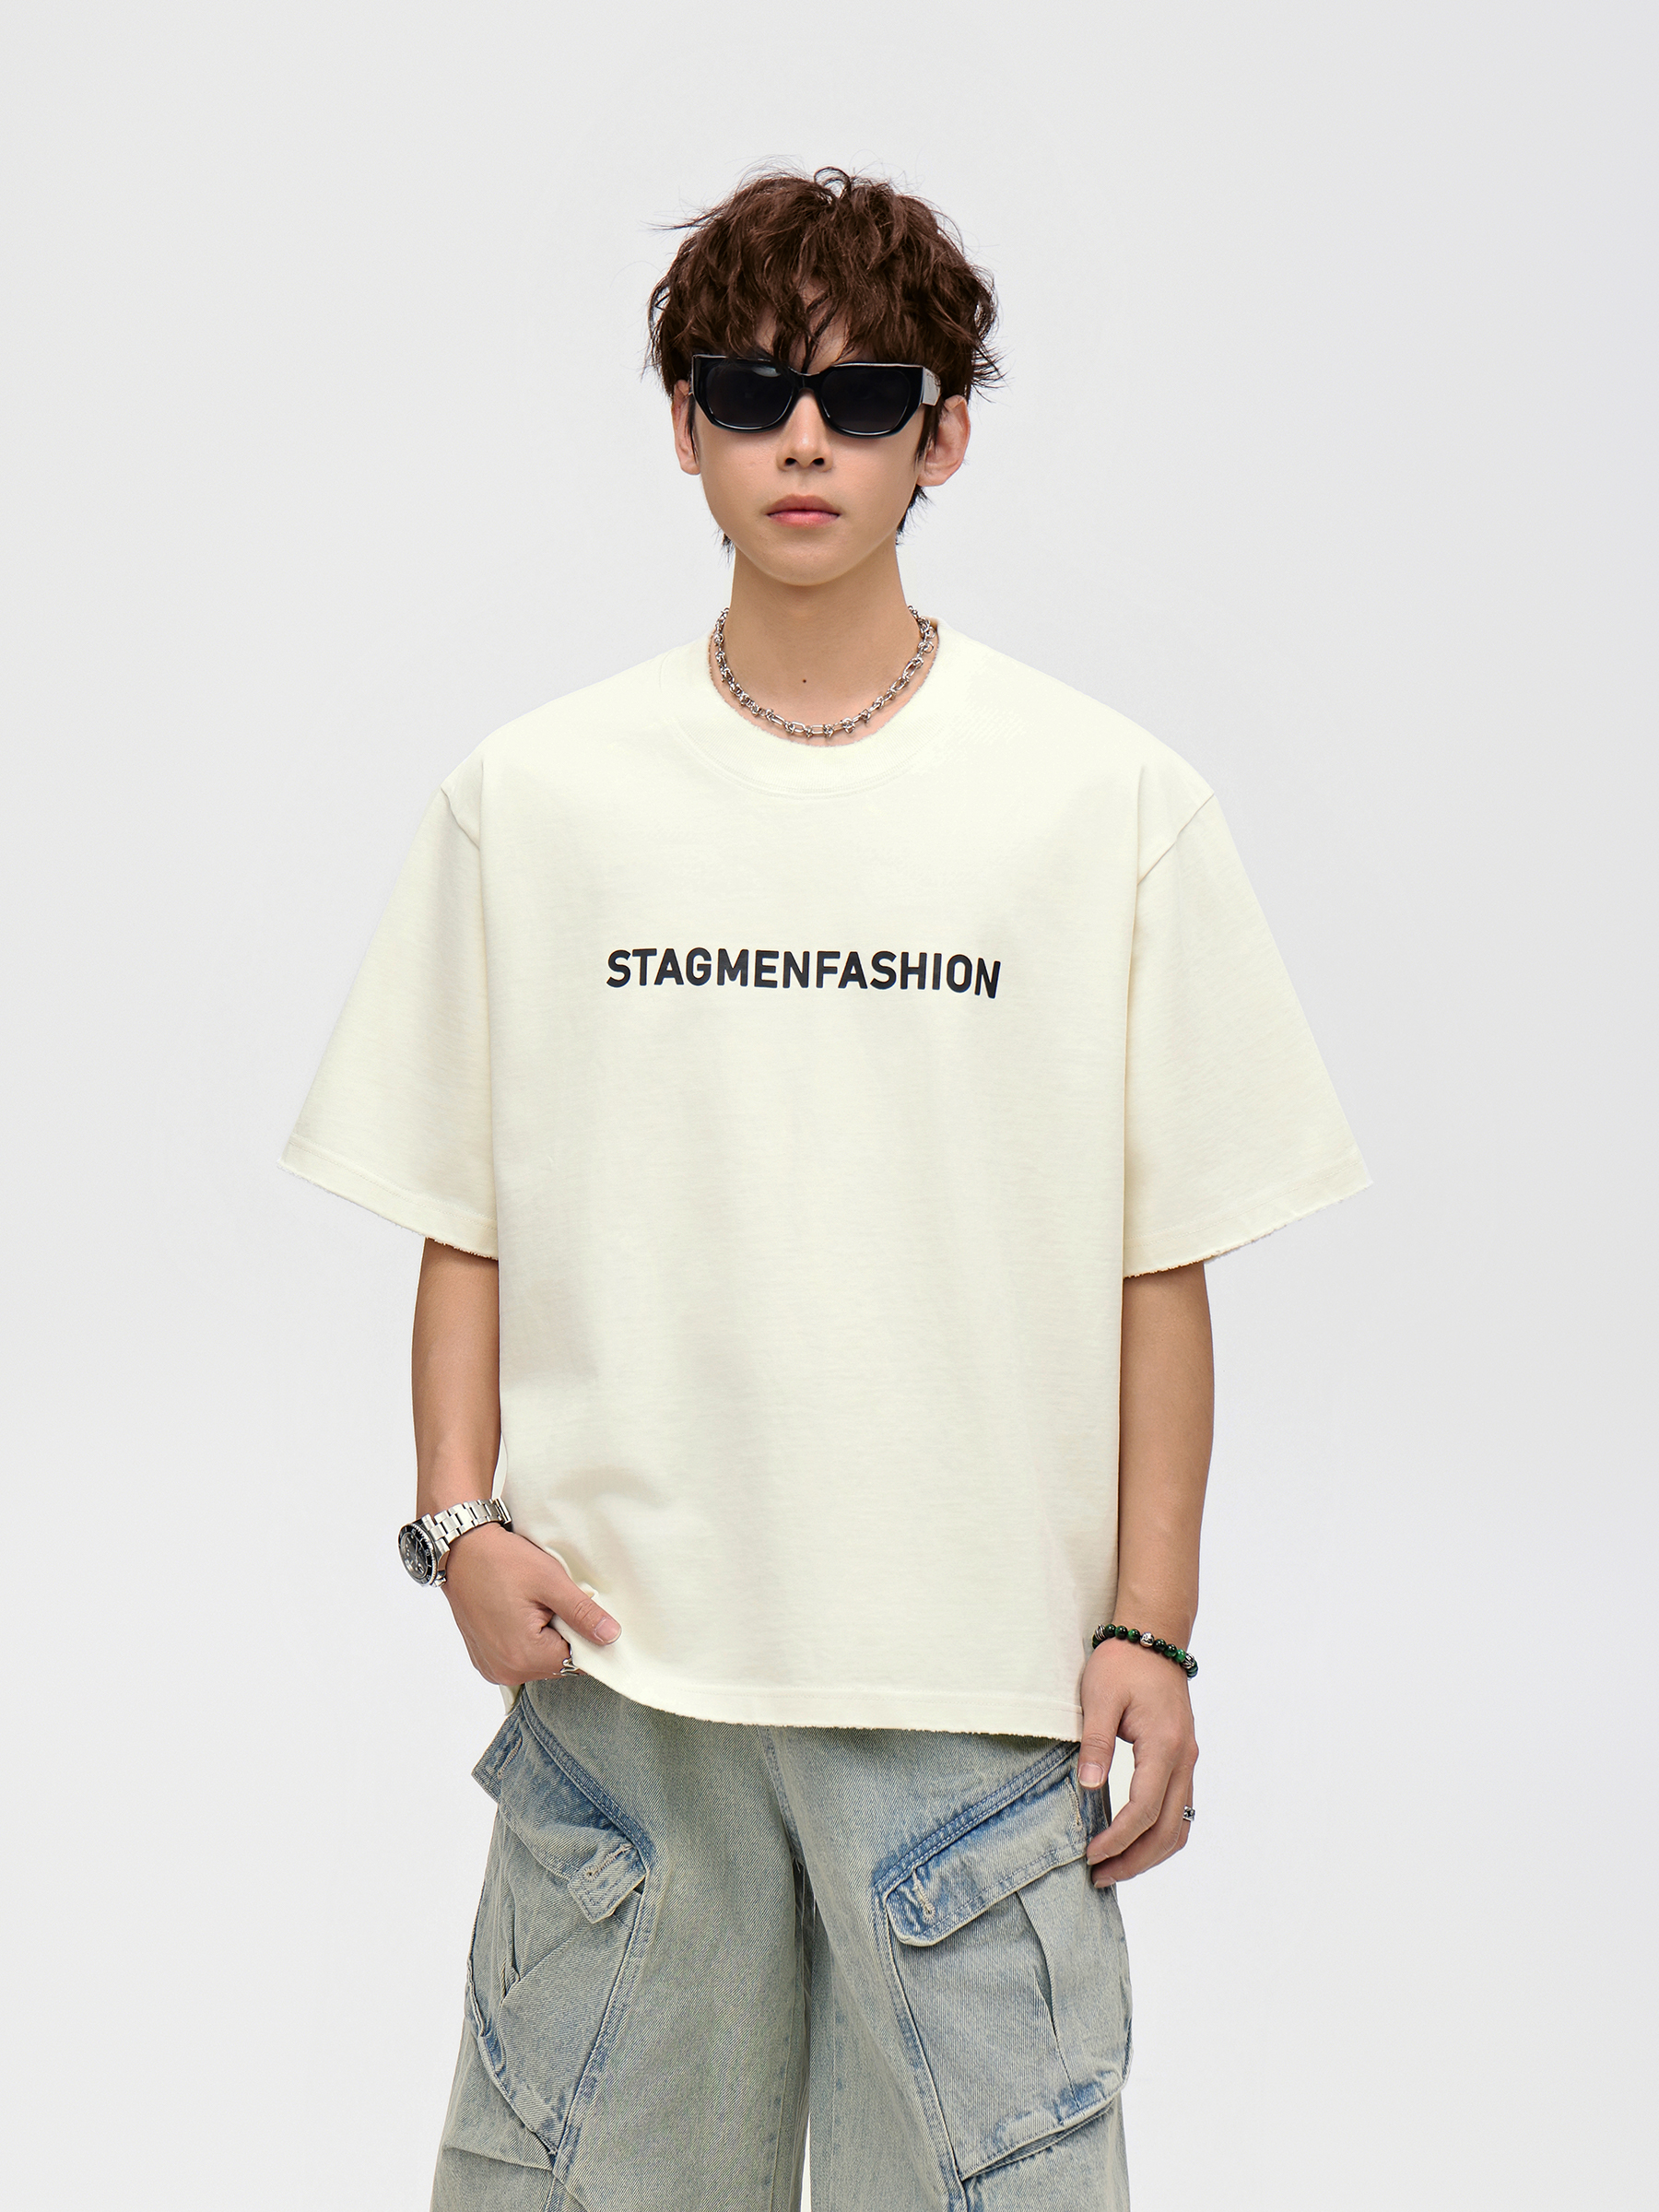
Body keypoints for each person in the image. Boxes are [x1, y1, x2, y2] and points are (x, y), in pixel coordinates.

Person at [283, 166, 1367, 2212]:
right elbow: (465, 1202)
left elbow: (1159, 1265)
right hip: (623, 1683)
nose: (806, 438)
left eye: (864, 396)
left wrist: (1153, 1627)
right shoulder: (536, 798)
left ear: (941, 437)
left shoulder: (1104, 804)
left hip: (974, 1698)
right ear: (681, 424)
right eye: (751, 389)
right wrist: (457, 1521)